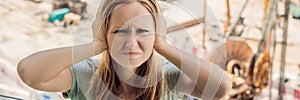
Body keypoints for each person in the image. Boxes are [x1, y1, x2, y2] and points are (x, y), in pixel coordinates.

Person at [17, 0, 232, 99]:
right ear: (104, 33)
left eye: (142, 31)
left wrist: (163, 46)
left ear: (157, 33)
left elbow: (221, 88)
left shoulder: (169, 78)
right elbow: (29, 72)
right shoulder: (87, 76)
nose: (131, 42)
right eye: (119, 31)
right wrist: (95, 46)